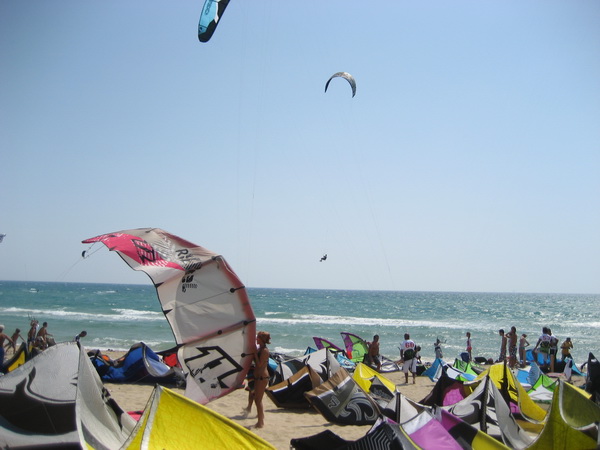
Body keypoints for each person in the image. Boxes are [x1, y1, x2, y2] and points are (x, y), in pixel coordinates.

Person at [253, 331, 271, 428]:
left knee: (258, 400)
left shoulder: (264, 351)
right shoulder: (260, 348)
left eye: (258, 338)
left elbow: (259, 364)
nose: (256, 339)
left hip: (262, 377)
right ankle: (261, 418)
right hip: (258, 376)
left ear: (261, 339)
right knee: (256, 398)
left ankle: (260, 422)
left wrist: (254, 353)